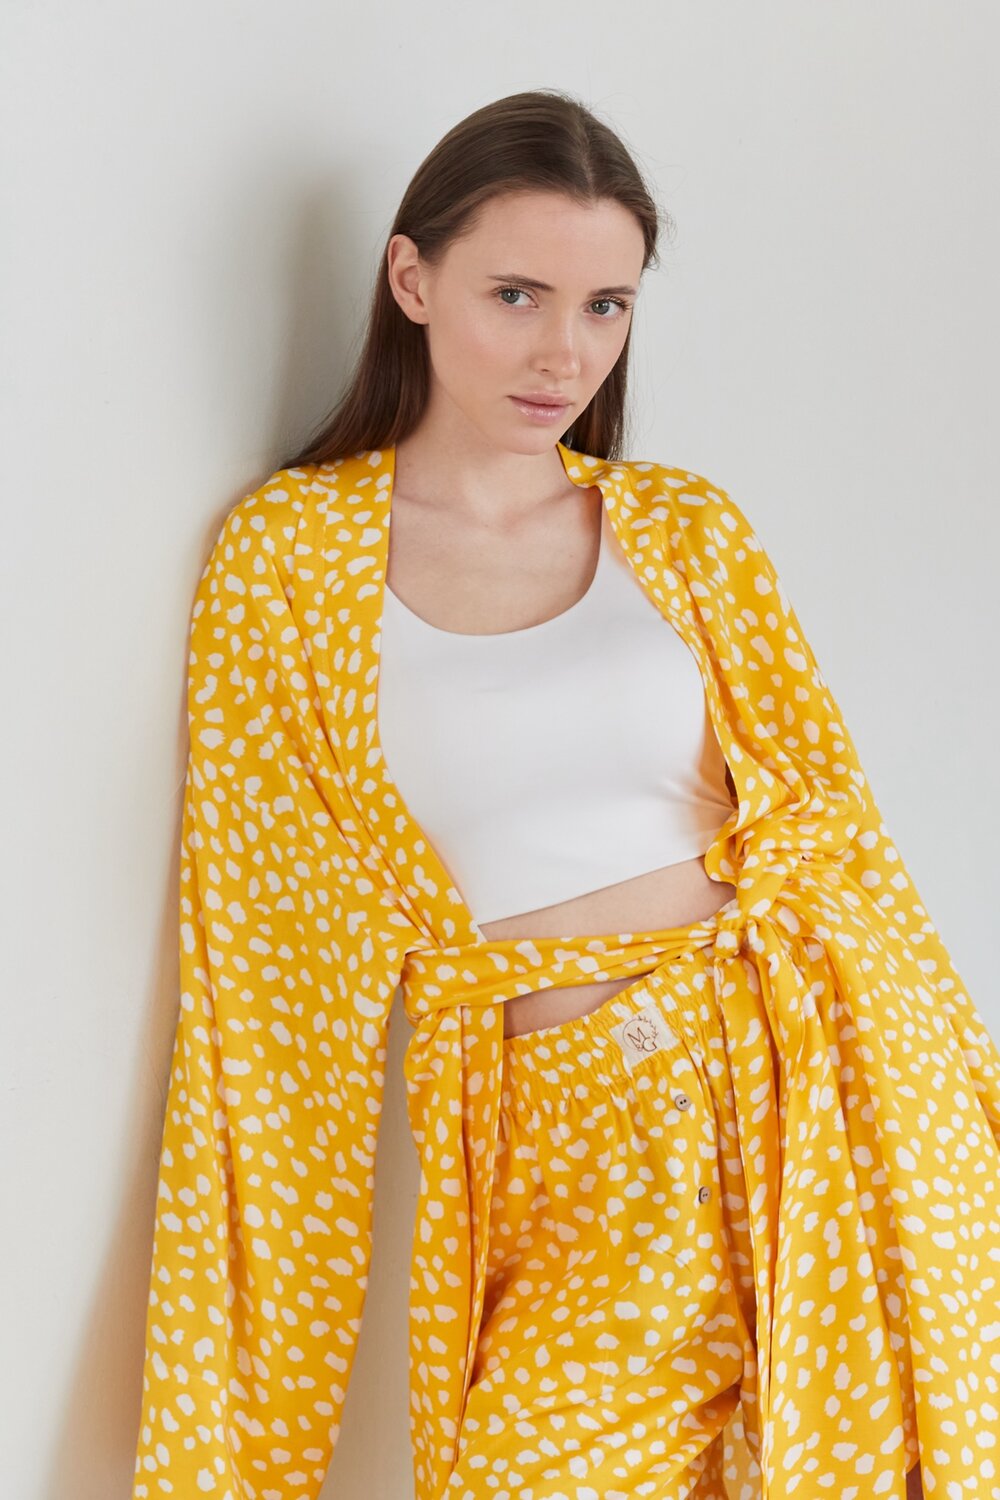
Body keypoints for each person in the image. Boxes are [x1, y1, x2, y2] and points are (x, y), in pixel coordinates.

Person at [131, 89, 999, 1500]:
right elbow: (261, 972)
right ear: (412, 278)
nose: (564, 353)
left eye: (606, 306)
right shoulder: (287, 558)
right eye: (517, 294)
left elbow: (835, 830)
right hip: (566, 1127)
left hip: (822, 1075)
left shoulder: (686, 530)